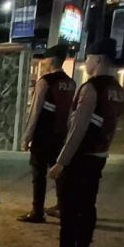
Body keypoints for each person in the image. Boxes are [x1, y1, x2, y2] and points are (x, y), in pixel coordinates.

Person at [42, 38, 124, 247]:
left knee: (69, 210)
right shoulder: (118, 90)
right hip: (99, 155)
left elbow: (77, 129)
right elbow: (112, 126)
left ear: (97, 60)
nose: (85, 63)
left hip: (80, 158)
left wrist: (61, 162)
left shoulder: (91, 88)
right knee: (88, 205)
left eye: (87, 59)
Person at [19, 44, 77, 224]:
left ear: (51, 60)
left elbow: (35, 112)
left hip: (43, 135)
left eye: (44, 60)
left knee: (39, 174)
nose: (43, 63)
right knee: (59, 172)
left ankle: (37, 211)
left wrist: (26, 137)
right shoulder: (71, 83)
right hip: (60, 134)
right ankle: (62, 207)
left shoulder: (45, 82)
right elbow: (71, 112)